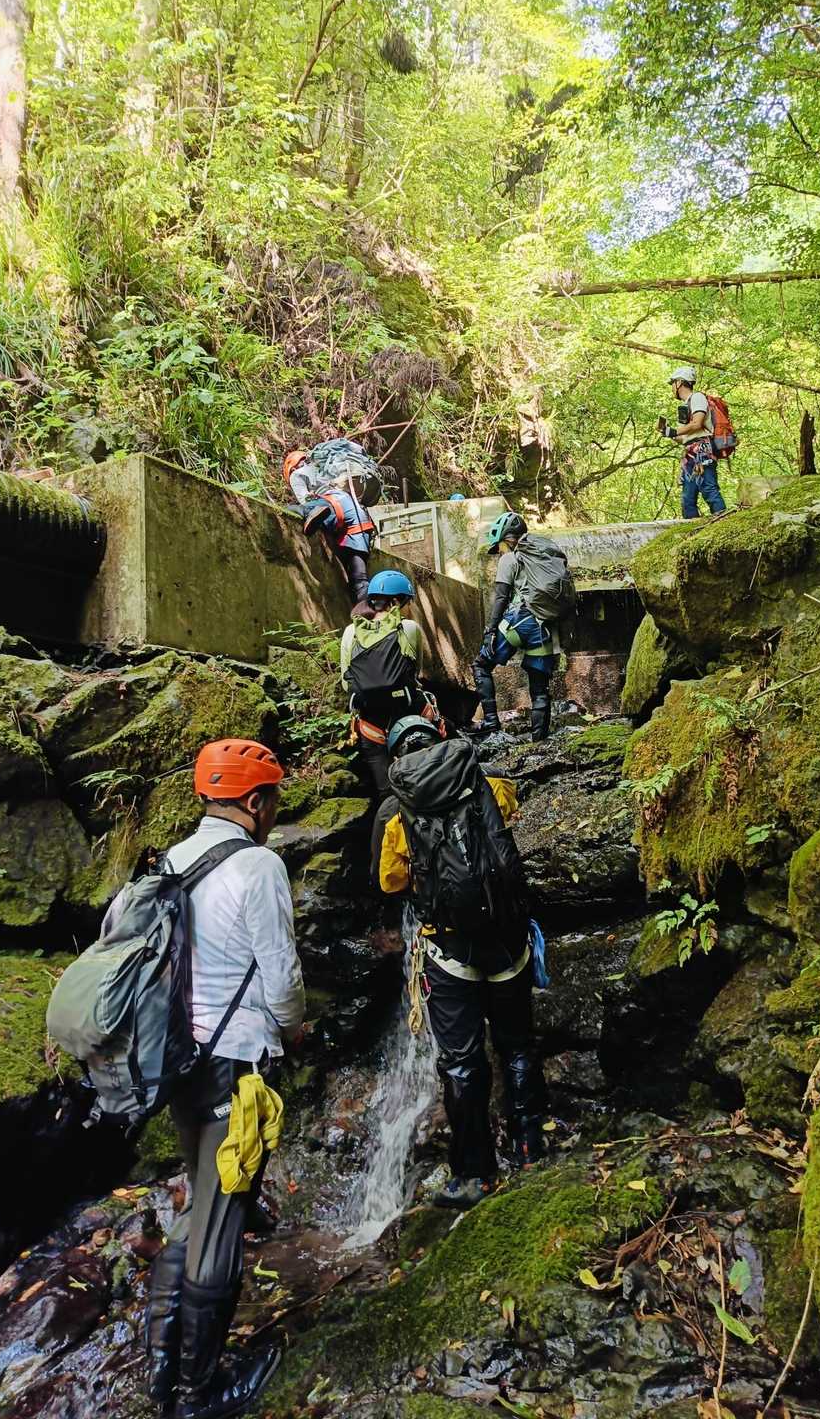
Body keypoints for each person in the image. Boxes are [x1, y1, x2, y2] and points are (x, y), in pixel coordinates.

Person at [144, 738, 304, 1419]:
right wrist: (295, 1029)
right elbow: (282, 974)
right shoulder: (258, 865)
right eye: (274, 800)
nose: (275, 812)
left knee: (201, 1204)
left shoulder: (171, 860)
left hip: (176, 1061)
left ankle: (162, 1374)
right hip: (233, 1065)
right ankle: (197, 1393)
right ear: (256, 801)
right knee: (219, 1224)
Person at [372, 717, 548, 1208]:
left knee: (462, 1063)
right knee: (517, 1043)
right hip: (507, 941)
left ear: (397, 756)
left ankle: (476, 1173)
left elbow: (389, 881)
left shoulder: (395, 811)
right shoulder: (485, 779)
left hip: (449, 952)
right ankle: (530, 1145)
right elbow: (509, 812)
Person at [470, 511, 573, 743]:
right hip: (543, 627)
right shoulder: (541, 557)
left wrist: (490, 631)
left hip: (519, 621)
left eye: (498, 547)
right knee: (539, 688)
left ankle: (491, 723)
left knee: (481, 665)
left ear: (508, 539)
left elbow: (501, 597)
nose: (499, 553)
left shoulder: (510, 559)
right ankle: (539, 742)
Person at [340, 569, 442, 795]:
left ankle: (390, 809)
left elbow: (346, 682)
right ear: (396, 601)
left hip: (370, 719)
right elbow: (415, 672)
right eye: (407, 602)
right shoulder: (409, 628)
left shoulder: (351, 631)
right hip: (409, 713)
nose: (409, 608)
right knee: (426, 777)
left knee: (386, 790)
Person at [658, 365, 727, 520]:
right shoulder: (686, 405)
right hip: (690, 453)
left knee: (708, 488)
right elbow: (684, 438)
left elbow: (697, 423)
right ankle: (692, 529)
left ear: (679, 382)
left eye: (673, 383)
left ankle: (724, 522)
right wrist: (667, 432)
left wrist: (674, 431)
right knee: (687, 498)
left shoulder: (697, 398)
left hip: (702, 450)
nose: (672, 387)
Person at [301, 484, 377, 612]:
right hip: (362, 538)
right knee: (360, 581)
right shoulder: (353, 501)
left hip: (351, 536)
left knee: (300, 509)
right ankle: (369, 613)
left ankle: (365, 613)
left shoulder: (331, 498)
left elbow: (328, 516)